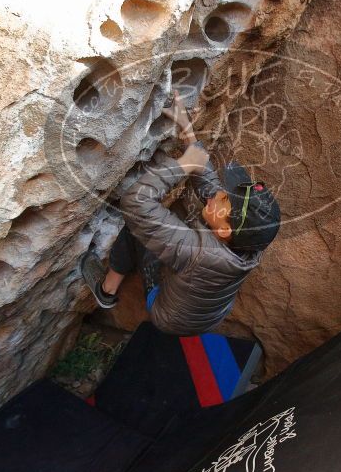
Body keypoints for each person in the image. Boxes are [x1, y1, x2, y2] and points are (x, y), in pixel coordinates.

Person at [80, 92, 281, 335]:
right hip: (210, 316)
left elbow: (136, 203)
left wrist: (183, 164)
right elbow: (209, 187)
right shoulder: (251, 240)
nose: (217, 194)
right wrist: (187, 130)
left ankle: (107, 291)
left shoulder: (198, 252)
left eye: (224, 198)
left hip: (170, 317)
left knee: (137, 228)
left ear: (225, 230)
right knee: (170, 231)